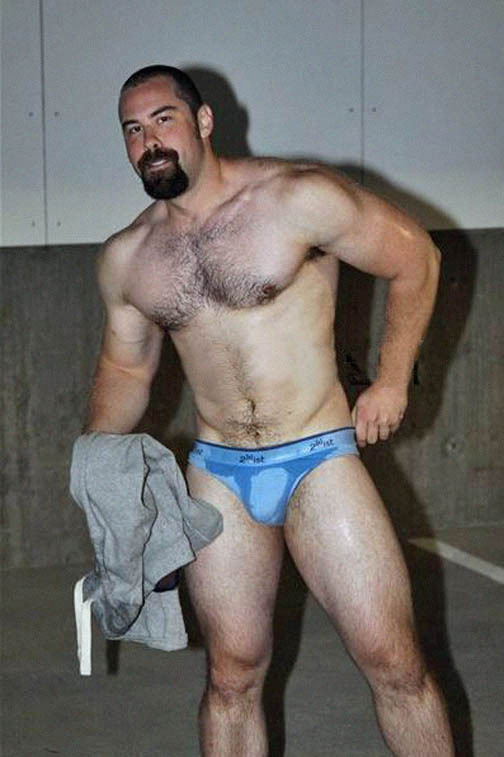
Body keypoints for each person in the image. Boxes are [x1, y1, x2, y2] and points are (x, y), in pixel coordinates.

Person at [84, 65, 454, 756]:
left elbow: (417, 259)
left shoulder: (296, 198)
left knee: (396, 666)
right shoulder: (130, 257)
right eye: (132, 130)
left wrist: (392, 382)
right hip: (219, 472)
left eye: (163, 119)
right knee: (231, 677)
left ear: (203, 122)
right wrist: (96, 457)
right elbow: (126, 367)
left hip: (318, 455)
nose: (148, 141)